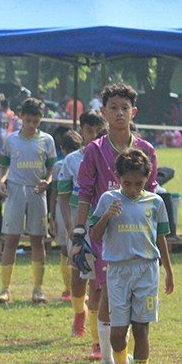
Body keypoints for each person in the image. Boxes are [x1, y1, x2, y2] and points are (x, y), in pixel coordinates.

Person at [73, 84, 158, 364]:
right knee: (106, 302)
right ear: (104, 112)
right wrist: (80, 233)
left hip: (137, 242)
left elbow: (153, 196)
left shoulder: (147, 150)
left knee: (138, 315)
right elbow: (84, 192)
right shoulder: (94, 150)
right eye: (113, 107)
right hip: (103, 237)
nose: (119, 113)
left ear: (133, 113)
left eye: (125, 107)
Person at [89, 147, 174, 364]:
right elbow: (95, 235)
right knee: (118, 334)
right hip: (118, 271)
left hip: (147, 270)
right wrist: (107, 215)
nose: (133, 188)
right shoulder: (108, 199)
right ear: (118, 177)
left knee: (141, 328)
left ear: (148, 179)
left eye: (139, 183)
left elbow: (160, 237)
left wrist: (169, 269)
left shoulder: (156, 202)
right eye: (127, 183)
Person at [0, 98, 56, 304]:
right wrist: (2, 182)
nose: (31, 125)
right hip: (15, 191)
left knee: (37, 240)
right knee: (11, 239)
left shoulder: (47, 140)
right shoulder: (11, 140)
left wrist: (47, 182)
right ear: (21, 117)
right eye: (28, 120)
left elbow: (50, 170)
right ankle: (5, 288)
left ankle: (38, 289)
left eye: (36, 121)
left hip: (37, 193)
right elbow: (3, 167)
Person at [57, 112, 107, 351]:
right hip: (79, 224)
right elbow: (64, 197)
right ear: (82, 131)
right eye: (90, 130)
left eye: (99, 129)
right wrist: (69, 226)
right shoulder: (72, 160)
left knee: (97, 283)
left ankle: (97, 342)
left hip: (103, 224)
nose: (95, 134)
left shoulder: (110, 157)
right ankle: (80, 312)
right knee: (78, 280)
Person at [51, 130, 82, 303]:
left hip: (77, 210)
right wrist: (51, 216)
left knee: (72, 250)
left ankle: (74, 287)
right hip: (63, 210)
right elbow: (55, 191)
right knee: (65, 248)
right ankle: (68, 287)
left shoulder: (83, 161)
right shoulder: (58, 166)